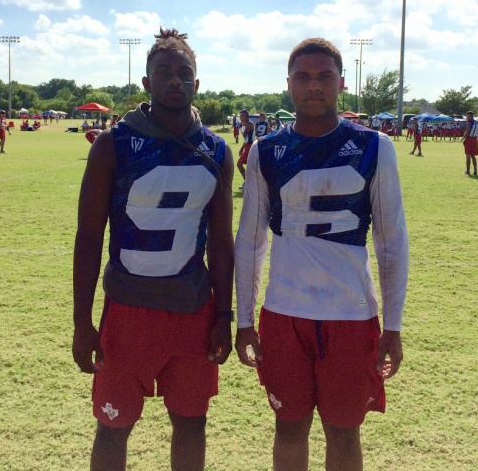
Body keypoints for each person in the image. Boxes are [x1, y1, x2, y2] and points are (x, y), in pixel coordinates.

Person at [235, 38, 408, 471]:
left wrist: (395, 324)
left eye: (324, 76)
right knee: (288, 428)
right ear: (288, 85)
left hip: (350, 314)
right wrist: (243, 319)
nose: (314, 86)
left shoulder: (375, 146)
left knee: (344, 432)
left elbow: (391, 240)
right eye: (304, 77)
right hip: (283, 313)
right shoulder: (266, 151)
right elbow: (251, 240)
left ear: (341, 83)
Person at [72, 28, 235, 471]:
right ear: (146, 83)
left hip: (192, 309)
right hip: (127, 311)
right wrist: (81, 322)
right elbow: (88, 238)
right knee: (113, 425)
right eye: (163, 73)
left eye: (185, 73)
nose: (175, 81)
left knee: (191, 424)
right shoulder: (113, 145)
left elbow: (221, 243)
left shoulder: (216, 150)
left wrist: (225, 315)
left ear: (197, 83)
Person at [236, 110, 254, 190]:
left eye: (241, 116)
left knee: (239, 164)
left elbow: (244, 135)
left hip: (250, 146)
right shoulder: (247, 124)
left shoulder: (249, 124)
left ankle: (247, 182)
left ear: (246, 116)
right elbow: (246, 139)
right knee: (248, 166)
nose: (240, 118)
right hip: (247, 146)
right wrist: (242, 148)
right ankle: (247, 182)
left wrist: (240, 128)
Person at [462, 111, 478, 176]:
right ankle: (475, 169)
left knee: (468, 155)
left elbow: (467, 131)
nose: (467, 118)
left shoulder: (469, 123)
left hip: (469, 139)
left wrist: (463, 138)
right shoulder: (477, 123)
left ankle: (468, 171)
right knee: (473, 156)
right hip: (474, 139)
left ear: (470, 116)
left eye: (467, 116)